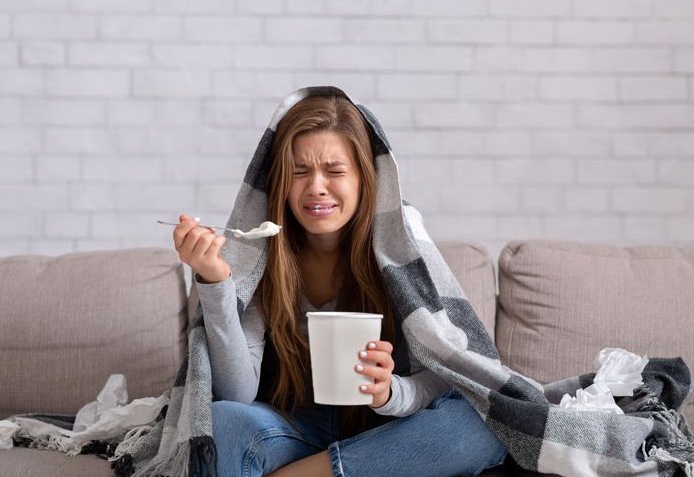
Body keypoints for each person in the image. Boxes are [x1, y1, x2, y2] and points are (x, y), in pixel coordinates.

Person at [171, 90, 507, 477]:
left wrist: (390, 392)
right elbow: (238, 392)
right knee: (224, 422)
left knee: (482, 420)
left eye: (334, 171)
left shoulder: (400, 244)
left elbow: (447, 370)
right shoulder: (260, 253)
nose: (316, 187)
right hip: (293, 425)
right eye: (300, 172)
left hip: (385, 428)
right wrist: (215, 282)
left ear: (365, 178)